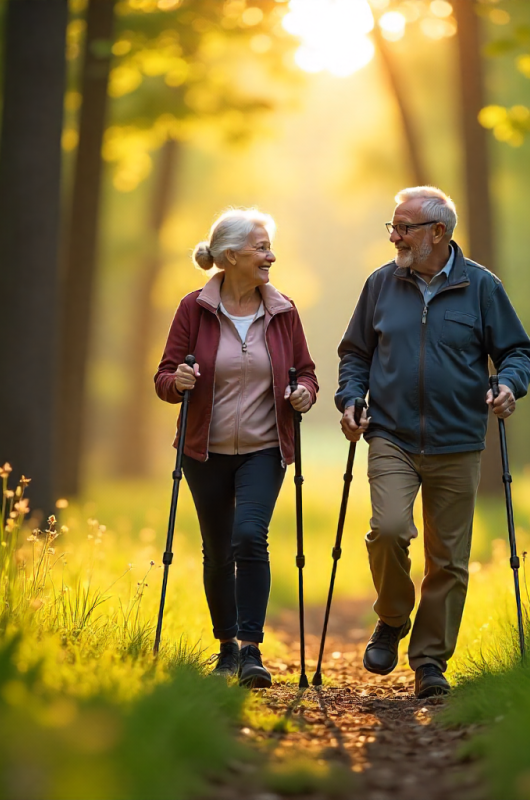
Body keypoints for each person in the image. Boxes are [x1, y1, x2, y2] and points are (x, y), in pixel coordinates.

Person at [336, 186, 530, 699]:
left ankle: (429, 662)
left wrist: (509, 384)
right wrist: (351, 396)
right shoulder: (381, 285)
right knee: (389, 530)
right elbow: (355, 353)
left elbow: (516, 351)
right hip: (392, 435)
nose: (395, 236)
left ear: (439, 233)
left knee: (447, 559)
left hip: (458, 440)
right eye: (394, 226)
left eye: (404, 227)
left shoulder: (481, 287)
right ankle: (393, 618)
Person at [155, 208, 318, 688]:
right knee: (217, 549)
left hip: (265, 448)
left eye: (269, 247)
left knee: (249, 535)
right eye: (261, 248)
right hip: (204, 451)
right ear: (230, 257)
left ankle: (251, 649)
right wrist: (177, 380)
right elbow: (164, 376)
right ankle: (225, 647)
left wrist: (304, 393)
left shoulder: (283, 310)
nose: (271, 256)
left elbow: (305, 370)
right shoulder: (194, 308)